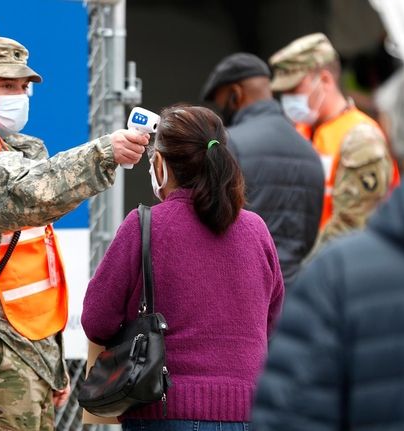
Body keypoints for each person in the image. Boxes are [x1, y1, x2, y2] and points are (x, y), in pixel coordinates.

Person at [0, 36, 149, 430]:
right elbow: (19, 195)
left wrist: (50, 367)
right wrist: (103, 152)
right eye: (6, 86)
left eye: (23, 86)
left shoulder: (4, 148)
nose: (20, 95)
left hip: (17, 349)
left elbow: (25, 275)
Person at [253, 46, 404, 430]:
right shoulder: (309, 133)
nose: (288, 100)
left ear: (395, 136)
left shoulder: (337, 280)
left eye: (294, 88)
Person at [82, 106, 285, 430]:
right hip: (248, 411)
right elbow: (271, 320)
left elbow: (97, 321)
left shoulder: (144, 226)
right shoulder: (256, 229)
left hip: (163, 409)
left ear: (161, 164)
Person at [201, 53, 324, 285]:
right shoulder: (309, 151)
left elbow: (211, 223)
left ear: (236, 93)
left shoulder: (229, 145)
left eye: (222, 104)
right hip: (293, 293)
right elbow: (310, 235)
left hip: (245, 290)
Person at [269, 33, 398, 249]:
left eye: (294, 89)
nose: (288, 99)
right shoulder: (300, 132)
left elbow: (353, 225)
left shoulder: (361, 138)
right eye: (284, 92)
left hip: (340, 266)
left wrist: (304, 270)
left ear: (326, 80)